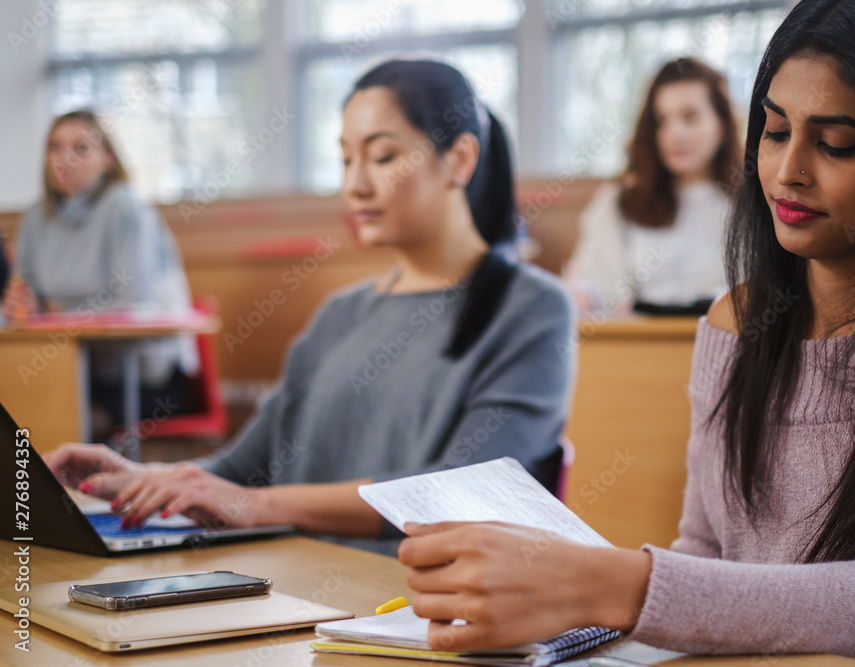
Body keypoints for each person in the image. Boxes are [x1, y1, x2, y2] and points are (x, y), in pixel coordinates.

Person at [396, 1, 855, 664]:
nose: (789, 172)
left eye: (837, 144)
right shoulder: (735, 323)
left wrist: (613, 583)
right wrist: (568, 618)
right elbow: (706, 551)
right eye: (773, 131)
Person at [46, 59, 576, 555]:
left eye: (383, 156)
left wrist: (260, 505)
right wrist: (142, 480)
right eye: (346, 158)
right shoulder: (340, 314)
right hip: (293, 598)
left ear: (459, 159)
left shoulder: (532, 307)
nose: (355, 184)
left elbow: (461, 493)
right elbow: (243, 470)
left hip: (414, 616)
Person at [2, 110, 198, 434]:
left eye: (81, 148)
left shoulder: (125, 208)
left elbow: (132, 300)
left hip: (141, 377)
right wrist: (24, 306)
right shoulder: (36, 218)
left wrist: (58, 313)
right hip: (66, 367)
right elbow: (28, 293)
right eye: (55, 147)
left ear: (107, 159)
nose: (65, 158)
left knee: (66, 416)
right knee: (19, 401)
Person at [566, 58, 741, 315]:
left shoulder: (749, 206)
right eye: (662, 121)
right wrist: (579, 292)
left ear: (723, 125)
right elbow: (592, 287)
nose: (675, 133)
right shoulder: (619, 203)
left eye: (690, 117)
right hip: (637, 348)